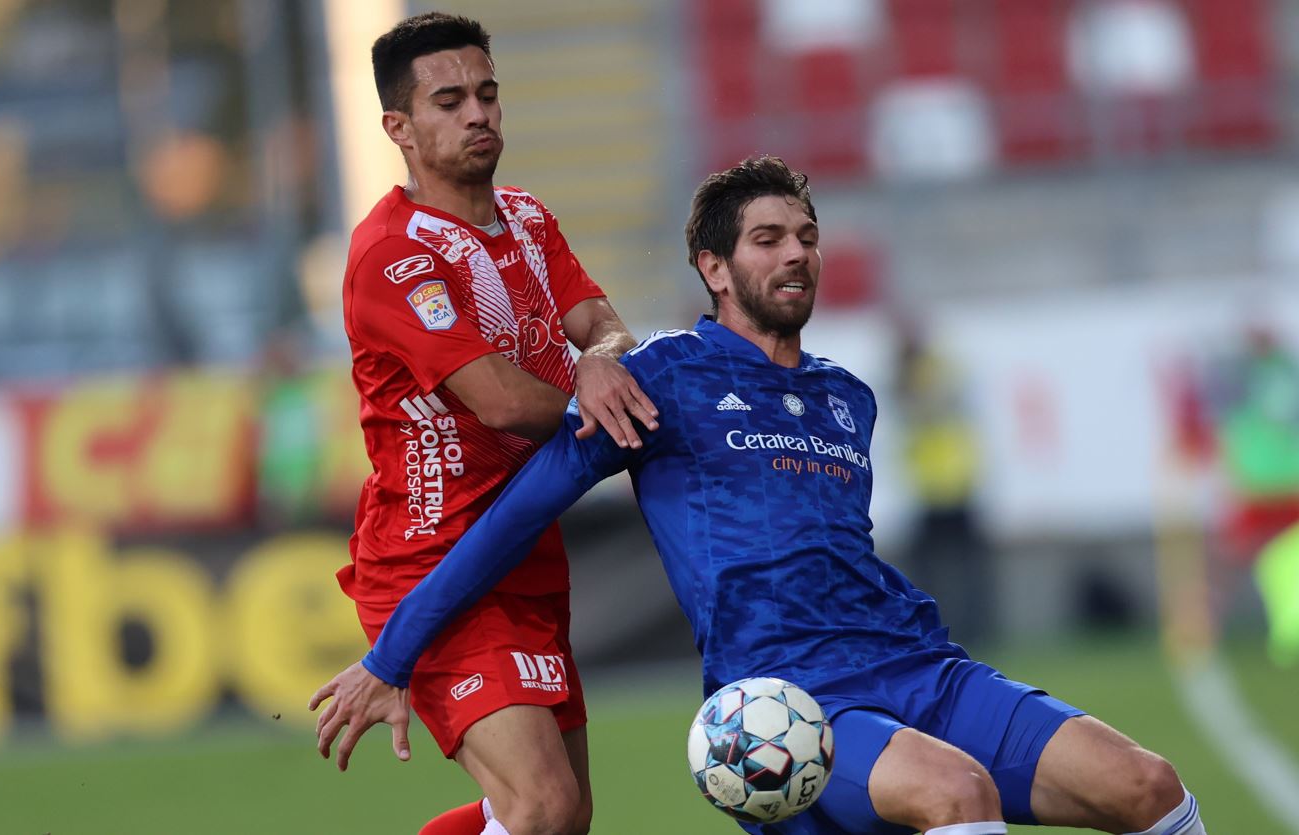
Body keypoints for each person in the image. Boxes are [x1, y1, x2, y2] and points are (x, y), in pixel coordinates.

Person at [312, 157, 1205, 834]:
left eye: (808, 237)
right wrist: (394, 655)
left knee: (1150, 785)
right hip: (791, 698)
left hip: (920, 662)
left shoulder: (847, 394)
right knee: (957, 793)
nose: (796, 255)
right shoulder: (659, 379)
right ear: (712, 265)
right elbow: (508, 519)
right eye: (768, 239)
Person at [315, 12, 658, 835]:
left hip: (525, 548)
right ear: (398, 128)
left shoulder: (531, 219)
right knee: (542, 805)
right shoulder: (393, 255)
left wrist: (604, 359)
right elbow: (502, 401)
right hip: (435, 559)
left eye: (487, 93)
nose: (478, 113)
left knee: (560, 817)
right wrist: (596, 384)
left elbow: (607, 329)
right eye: (449, 100)